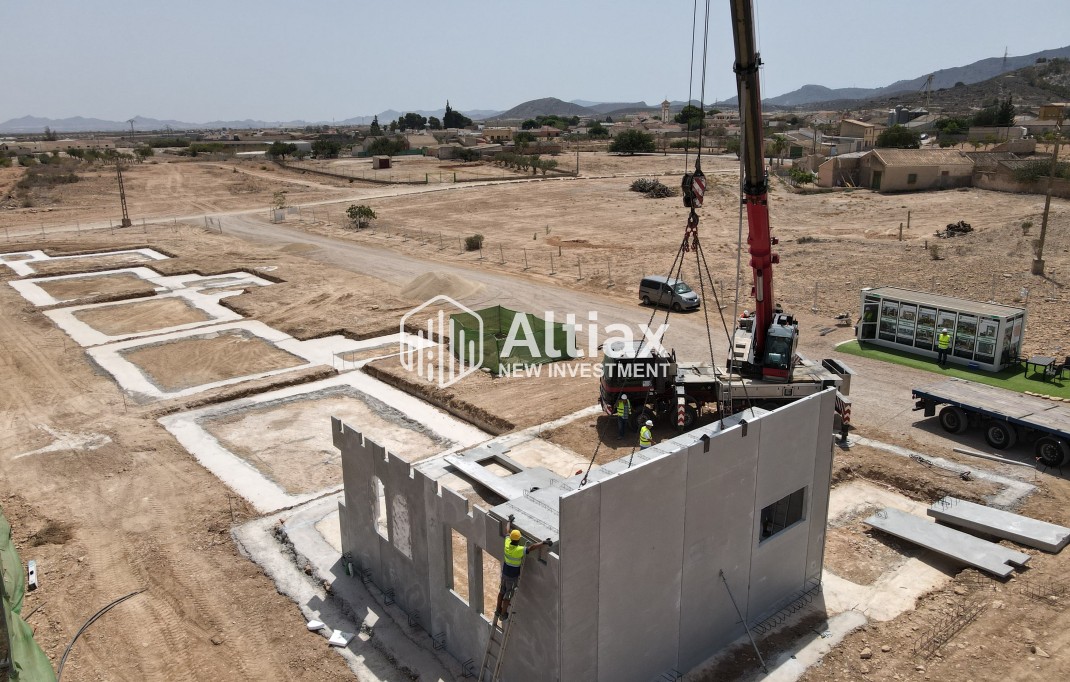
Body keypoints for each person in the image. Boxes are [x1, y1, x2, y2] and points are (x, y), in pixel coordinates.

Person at [495, 516, 551, 621]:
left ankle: (498, 609)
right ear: (519, 540)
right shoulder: (519, 550)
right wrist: (543, 543)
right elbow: (532, 548)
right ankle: (503, 614)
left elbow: (507, 531)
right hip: (512, 577)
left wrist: (508, 521)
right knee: (508, 595)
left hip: (505, 574)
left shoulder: (507, 544)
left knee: (501, 592)